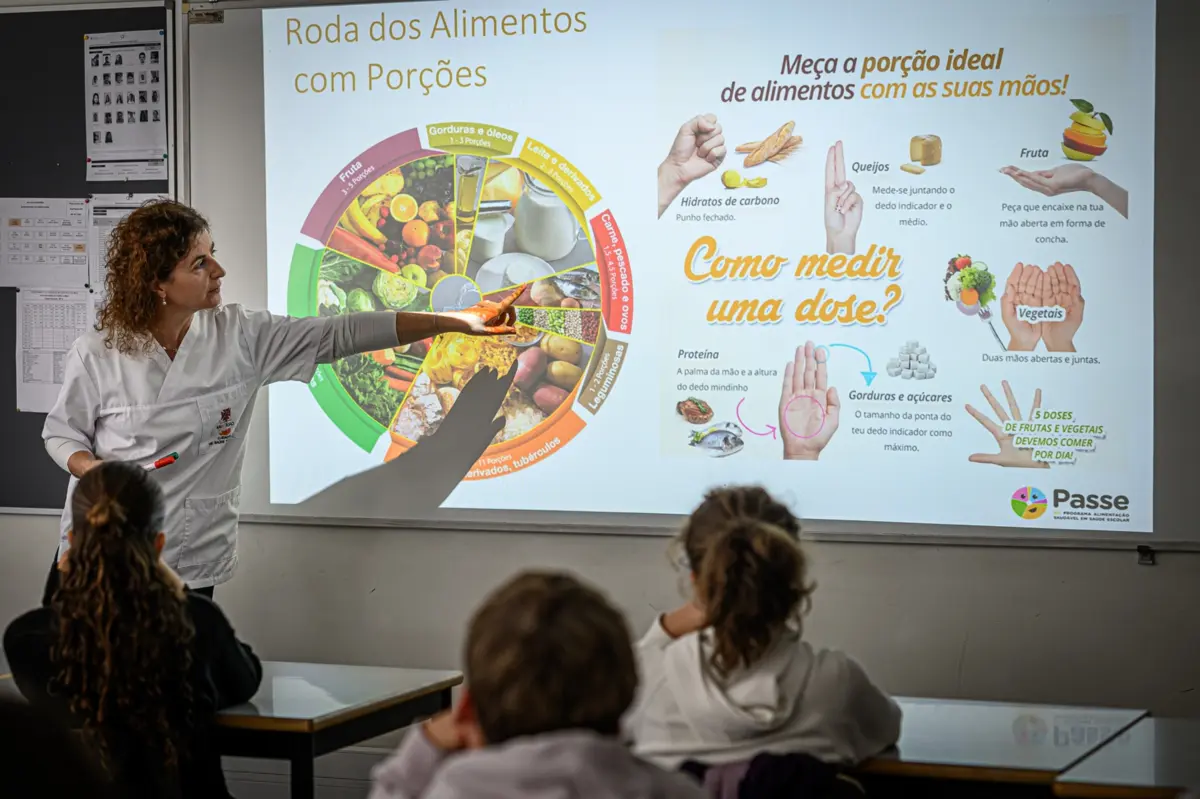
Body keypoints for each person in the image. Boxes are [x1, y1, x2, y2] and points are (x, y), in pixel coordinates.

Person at [41, 199, 523, 603]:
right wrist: (92, 469)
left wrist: (456, 321)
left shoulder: (242, 337)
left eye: (214, 255)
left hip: (189, 558)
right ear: (156, 284)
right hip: (97, 556)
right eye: (199, 263)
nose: (219, 270)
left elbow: (344, 333)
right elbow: (61, 433)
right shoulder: (99, 351)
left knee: (176, 701)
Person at [4, 460, 263, 798]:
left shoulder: (27, 640)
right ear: (157, 546)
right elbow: (246, 679)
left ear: (72, 541)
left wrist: (69, 582)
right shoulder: (196, 622)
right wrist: (176, 587)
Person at [625, 486, 901, 771]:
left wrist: (666, 629)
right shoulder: (836, 683)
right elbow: (888, 727)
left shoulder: (649, 679)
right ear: (792, 579)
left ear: (697, 580)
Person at [368, 571, 705, 799]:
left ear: (469, 709)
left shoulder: (455, 788)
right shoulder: (677, 792)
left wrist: (423, 749)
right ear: (628, 696)